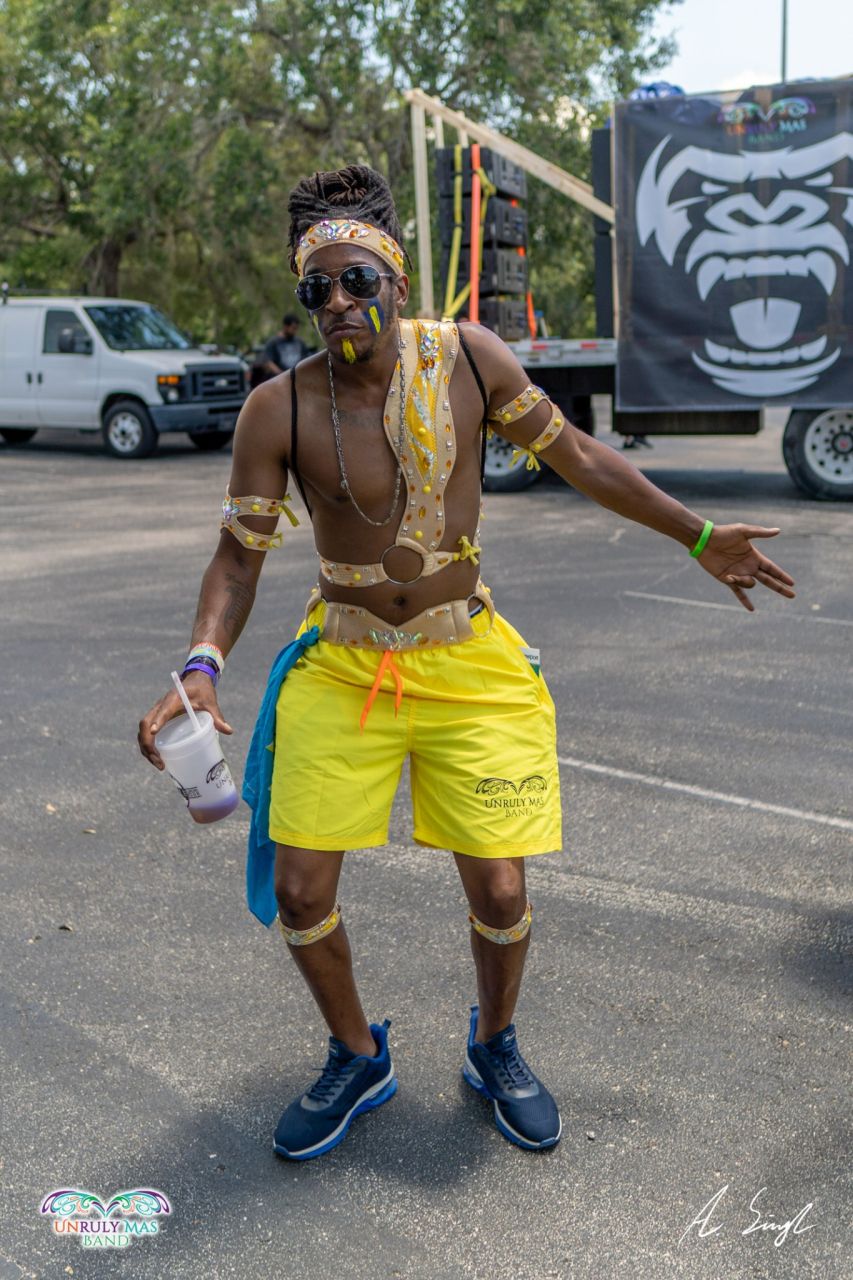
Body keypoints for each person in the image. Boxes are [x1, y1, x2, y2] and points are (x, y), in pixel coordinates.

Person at [137, 165, 796, 1162]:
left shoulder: (470, 360)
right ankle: (357, 1055)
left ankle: (494, 1046)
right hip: (345, 664)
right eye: (317, 289)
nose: (339, 303)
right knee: (303, 892)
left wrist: (697, 535)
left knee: (499, 891)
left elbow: (579, 457)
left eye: (358, 281)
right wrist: (201, 664)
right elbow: (238, 555)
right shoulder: (279, 407)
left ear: (397, 282)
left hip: (466, 658)